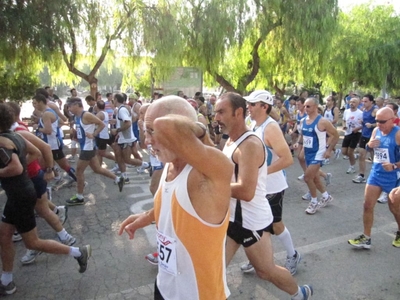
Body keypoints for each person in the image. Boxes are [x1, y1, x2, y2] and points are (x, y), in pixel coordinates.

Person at [119, 96, 232, 300]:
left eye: (153, 132)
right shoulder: (170, 165)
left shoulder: (210, 173)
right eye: (146, 132)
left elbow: (166, 124)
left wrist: (199, 129)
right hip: (165, 286)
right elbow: (177, 206)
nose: (147, 141)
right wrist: (147, 216)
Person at [215, 92, 313, 300]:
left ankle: (299, 293)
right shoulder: (231, 140)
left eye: (221, 112)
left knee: (266, 271)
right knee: (213, 269)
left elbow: (247, 191)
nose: (216, 117)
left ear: (238, 112)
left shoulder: (250, 142)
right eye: (215, 112)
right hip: (231, 218)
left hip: (251, 221)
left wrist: (213, 186)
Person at [0, 104, 91, 295]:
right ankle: (6, 280)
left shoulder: (3, 141)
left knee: (32, 242)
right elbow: (33, 153)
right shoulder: (14, 136)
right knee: (4, 236)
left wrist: (25, 170)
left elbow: (16, 167)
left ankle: (78, 252)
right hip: (20, 191)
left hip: (20, 195)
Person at [240, 90, 301, 276]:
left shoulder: (270, 127)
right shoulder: (252, 124)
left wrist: (262, 173)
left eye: (252, 104)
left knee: (275, 224)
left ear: (264, 107)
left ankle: (293, 255)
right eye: (248, 104)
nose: (248, 107)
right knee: (252, 224)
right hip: (256, 186)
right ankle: (257, 259)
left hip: (272, 187)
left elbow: (287, 159)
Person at [348, 107, 400, 249]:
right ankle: (366, 237)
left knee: (395, 209)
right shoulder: (376, 131)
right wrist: (369, 145)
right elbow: (369, 147)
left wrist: (394, 166)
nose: (379, 124)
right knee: (367, 205)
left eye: (382, 121)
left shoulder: (398, 134)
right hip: (376, 174)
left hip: (394, 176)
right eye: (377, 121)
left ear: (392, 119)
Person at [66, 98, 124, 205]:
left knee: (79, 172)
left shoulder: (86, 115)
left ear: (76, 105)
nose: (68, 108)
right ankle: (118, 179)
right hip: (86, 147)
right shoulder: (77, 116)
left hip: (87, 148)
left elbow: (101, 124)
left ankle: (79, 197)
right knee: (97, 169)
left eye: (69, 106)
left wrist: (94, 134)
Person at [293, 97, 339, 215]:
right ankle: (326, 196)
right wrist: (299, 144)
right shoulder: (303, 120)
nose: (305, 108)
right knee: (315, 178)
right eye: (305, 106)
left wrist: (328, 151)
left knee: (307, 178)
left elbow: (335, 135)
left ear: (315, 107)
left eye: (308, 106)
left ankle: (314, 202)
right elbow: (304, 135)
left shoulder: (322, 121)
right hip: (308, 153)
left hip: (318, 154)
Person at [111, 93, 148, 183]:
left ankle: (146, 165)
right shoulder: (122, 109)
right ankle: (124, 177)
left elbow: (128, 123)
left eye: (113, 99)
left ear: (116, 99)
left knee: (127, 159)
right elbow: (130, 119)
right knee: (118, 157)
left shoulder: (122, 110)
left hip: (126, 139)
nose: (112, 101)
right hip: (122, 138)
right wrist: (117, 121)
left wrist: (117, 130)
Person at [353, 94, 378, 183]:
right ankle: (361, 175)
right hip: (364, 135)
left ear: (371, 102)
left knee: (375, 158)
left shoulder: (375, 111)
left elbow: (380, 123)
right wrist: (360, 125)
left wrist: (372, 125)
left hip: (374, 137)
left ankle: (376, 175)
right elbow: (364, 123)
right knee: (361, 155)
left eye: (366, 101)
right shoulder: (363, 110)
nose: (363, 103)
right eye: (363, 101)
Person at [341, 98, 363, 174]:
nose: (351, 103)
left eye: (354, 102)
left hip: (356, 133)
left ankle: (352, 167)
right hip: (347, 133)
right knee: (344, 152)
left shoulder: (360, 113)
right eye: (350, 102)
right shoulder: (346, 111)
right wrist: (344, 126)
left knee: (350, 152)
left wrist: (358, 128)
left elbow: (364, 124)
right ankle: (354, 156)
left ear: (357, 104)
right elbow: (344, 120)